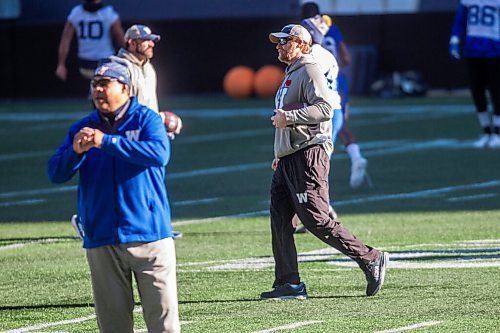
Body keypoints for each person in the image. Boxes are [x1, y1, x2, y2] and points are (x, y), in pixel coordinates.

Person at [48, 62, 180, 333]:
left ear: (125, 88)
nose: (97, 90)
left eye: (104, 84)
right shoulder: (82, 127)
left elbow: (159, 154)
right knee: (113, 325)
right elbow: (55, 172)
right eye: (95, 85)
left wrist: (106, 142)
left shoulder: (146, 119)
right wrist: (75, 152)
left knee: (163, 324)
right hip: (102, 238)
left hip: (149, 237)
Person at [260, 24, 388, 300]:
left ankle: (370, 258)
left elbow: (325, 108)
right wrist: (280, 153)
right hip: (288, 157)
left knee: (316, 218)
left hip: (308, 154)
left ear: (302, 44)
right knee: (280, 220)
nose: (279, 46)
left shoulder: (309, 69)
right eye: (279, 42)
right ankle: (289, 283)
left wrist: (290, 119)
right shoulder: (291, 72)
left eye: (286, 41)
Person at [108, 24, 184, 238]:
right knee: (122, 182)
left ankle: (157, 226)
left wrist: (158, 125)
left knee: (151, 181)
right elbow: (122, 106)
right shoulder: (120, 67)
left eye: (152, 40)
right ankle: (87, 220)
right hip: (126, 134)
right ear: (131, 43)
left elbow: (149, 104)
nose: (151, 44)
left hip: (146, 132)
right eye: (146, 40)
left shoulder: (148, 67)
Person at [301, 2, 369, 189]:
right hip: (336, 82)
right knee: (338, 124)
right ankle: (356, 157)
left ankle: (315, 179)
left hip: (316, 84)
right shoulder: (331, 32)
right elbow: (346, 58)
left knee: (318, 131)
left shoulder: (304, 39)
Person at [449, 0, 500, 149]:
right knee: (477, 92)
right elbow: (460, 20)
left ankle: (497, 132)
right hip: (473, 50)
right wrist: (454, 39)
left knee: (496, 91)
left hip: (494, 49)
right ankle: (486, 132)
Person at [55, 0, 124, 82]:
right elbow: (120, 40)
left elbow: (65, 40)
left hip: (85, 64)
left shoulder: (77, 13)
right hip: (106, 63)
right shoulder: (108, 13)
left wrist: (61, 64)